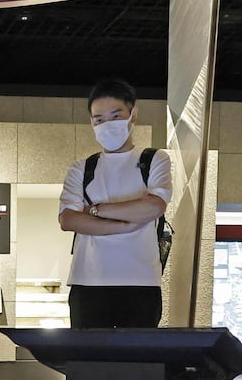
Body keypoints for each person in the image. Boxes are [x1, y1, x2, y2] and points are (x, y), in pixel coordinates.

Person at [57, 78, 173, 328]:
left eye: (115, 115)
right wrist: (122, 225)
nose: (107, 125)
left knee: (137, 363)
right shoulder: (82, 167)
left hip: (141, 283)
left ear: (133, 115)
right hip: (87, 283)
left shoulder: (154, 159)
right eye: (99, 119)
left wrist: (96, 211)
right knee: (87, 362)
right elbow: (68, 219)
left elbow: (154, 207)